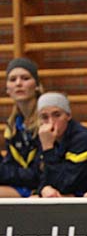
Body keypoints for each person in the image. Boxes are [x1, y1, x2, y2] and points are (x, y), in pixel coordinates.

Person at [0, 58, 43, 197]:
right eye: (13, 80)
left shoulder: (46, 121)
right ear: (7, 89)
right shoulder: (13, 125)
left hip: (44, 188)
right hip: (24, 185)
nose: (18, 83)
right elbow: (10, 165)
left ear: (37, 85)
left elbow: (40, 173)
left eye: (25, 78)